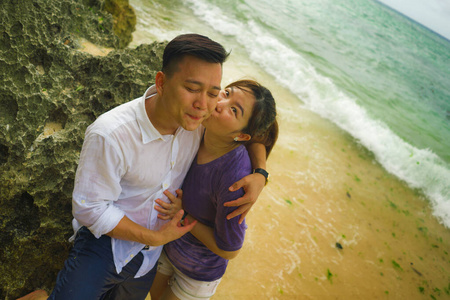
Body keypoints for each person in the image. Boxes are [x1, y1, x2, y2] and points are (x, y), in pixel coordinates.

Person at [18, 34, 268, 300]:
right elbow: (90, 208)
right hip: (105, 244)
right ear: (161, 82)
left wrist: (260, 174)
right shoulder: (111, 134)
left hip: (148, 259)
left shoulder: (201, 123)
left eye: (213, 93)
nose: (203, 104)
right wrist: (154, 237)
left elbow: (256, 133)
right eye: (192, 88)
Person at [149, 79, 278, 300]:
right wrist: (262, 172)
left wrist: (185, 216)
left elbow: (230, 249)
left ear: (242, 136)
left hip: (197, 273)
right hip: (168, 247)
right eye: (226, 93)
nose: (220, 102)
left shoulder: (235, 181)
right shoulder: (199, 125)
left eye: (234, 110)